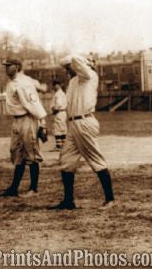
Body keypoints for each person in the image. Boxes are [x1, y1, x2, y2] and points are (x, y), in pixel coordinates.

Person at [49, 55, 115, 210]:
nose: (67, 71)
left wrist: (75, 59)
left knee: (95, 159)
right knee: (66, 161)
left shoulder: (89, 75)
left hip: (85, 121)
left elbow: (79, 64)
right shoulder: (73, 81)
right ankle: (68, 201)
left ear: (77, 65)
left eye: (68, 67)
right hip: (72, 123)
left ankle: (110, 199)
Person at [1, 57, 47, 198]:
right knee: (17, 153)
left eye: (9, 66)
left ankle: (33, 189)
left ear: (17, 67)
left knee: (31, 154)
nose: (6, 68)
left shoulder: (23, 83)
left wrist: (42, 123)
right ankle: (14, 188)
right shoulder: (13, 82)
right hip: (17, 121)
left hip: (28, 118)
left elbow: (33, 103)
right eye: (5, 66)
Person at [50, 79, 67, 152]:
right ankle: (63, 145)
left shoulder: (58, 94)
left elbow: (59, 104)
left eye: (54, 85)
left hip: (59, 112)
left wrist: (54, 110)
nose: (53, 87)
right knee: (62, 128)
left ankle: (59, 146)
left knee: (58, 129)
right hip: (62, 113)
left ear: (58, 85)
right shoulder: (62, 93)